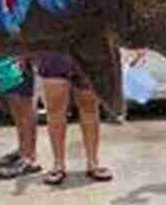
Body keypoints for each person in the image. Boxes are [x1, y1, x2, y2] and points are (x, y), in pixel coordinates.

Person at [35, 53, 111, 185]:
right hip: (54, 51)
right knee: (55, 110)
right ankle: (58, 164)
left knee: (90, 108)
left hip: (87, 51)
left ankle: (93, 162)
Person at [0, 54, 41, 179]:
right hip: (5, 58)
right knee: (15, 106)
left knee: (25, 108)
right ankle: (22, 151)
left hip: (19, 58)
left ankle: (28, 159)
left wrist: (22, 55)